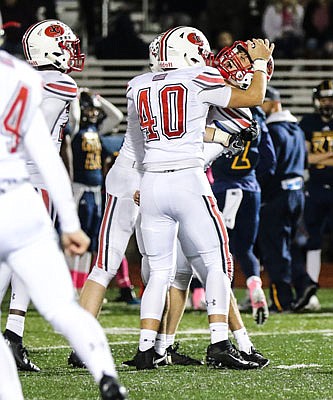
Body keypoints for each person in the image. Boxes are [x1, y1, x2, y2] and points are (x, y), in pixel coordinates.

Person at [127, 26, 274, 370]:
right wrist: (259, 64)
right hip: (187, 181)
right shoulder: (201, 78)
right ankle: (221, 343)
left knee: (162, 272)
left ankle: (149, 348)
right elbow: (250, 99)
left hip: (152, 180)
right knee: (215, 263)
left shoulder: (138, 85)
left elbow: (140, 138)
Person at [0, 45, 127, 400]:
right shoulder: (23, 76)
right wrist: (70, 223)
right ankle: (106, 374)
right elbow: (47, 154)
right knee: (60, 306)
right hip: (22, 200)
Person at [0, 19, 84, 373]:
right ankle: (13, 336)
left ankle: (12, 337)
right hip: (31, 182)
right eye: (65, 45)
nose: (70, 52)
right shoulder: (58, 82)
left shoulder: (21, 78)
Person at [64, 88, 124, 292]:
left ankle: (79, 286)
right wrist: (76, 97)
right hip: (79, 189)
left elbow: (116, 116)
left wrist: (98, 98)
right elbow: (74, 117)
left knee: (89, 241)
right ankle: (69, 286)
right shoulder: (75, 130)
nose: (94, 113)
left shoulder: (96, 130)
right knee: (76, 237)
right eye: (90, 109)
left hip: (96, 191)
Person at [258, 86, 308, 312]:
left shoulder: (272, 131)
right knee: (292, 246)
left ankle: (283, 300)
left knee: (275, 248)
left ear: (273, 103)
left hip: (277, 195)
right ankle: (304, 285)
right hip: (297, 193)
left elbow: (268, 167)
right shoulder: (297, 129)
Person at [297, 79, 333, 310]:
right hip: (316, 189)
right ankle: (310, 292)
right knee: (313, 240)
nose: (326, 103)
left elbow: (312, 158)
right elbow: (305, 159)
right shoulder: (308, 123)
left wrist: (319, 158)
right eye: (323, 99)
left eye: (330, 99)